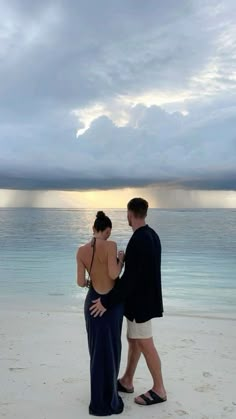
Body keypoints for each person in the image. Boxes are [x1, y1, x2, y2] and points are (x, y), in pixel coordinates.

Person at [90, 198, 167, 406]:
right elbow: (143, 275)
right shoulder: (152, 235)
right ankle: (127, 380)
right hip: (145, 301)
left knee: (145, 342)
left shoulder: (139, 240)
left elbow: (129, 280)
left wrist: (106, 301)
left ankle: (159, 389)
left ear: (130, 214)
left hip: (141, 305)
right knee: (134, 340)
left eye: (127, 213)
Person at [76, 211, 125, 416]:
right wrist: (120, 260)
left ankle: (97, 400)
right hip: (111, 305)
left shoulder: (81, 251)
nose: (107, 236)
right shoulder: (111, 245)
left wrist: (90, 282)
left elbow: (80, 282)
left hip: (92, 302)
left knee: (96, 351)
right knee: (112, 348)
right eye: (107, 232)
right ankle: (111, 397)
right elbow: (114, 275)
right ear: (106, 230)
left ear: (92, 229)